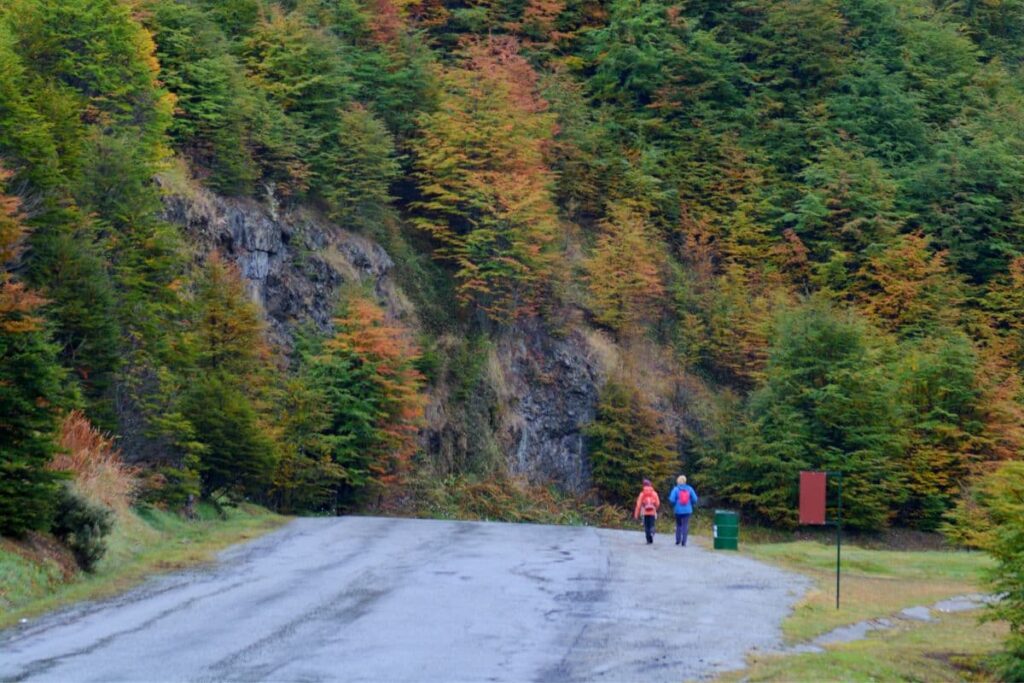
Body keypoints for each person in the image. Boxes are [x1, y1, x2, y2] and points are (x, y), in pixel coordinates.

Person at [668, 475, 698, 547]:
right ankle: (684, 542)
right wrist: (690, 503)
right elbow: (695, 499)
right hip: (687, 510)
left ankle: (678, 540)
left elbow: (671, 499)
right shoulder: (689, 489)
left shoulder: (675, 489)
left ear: (678, 481)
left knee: (678, 525)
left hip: (678, 510)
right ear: (685, 481)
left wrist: (675, 503)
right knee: (685, 525)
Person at [633, 479, 661, 544]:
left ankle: (648, 540)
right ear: (650, 484)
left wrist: (636, 515)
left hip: (645, 512)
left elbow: (638, 505)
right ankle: (652, 531)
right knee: (652, 524)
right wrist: (655, 508)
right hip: (652, 512)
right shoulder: (654, 493)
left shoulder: (642, 494)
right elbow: (658, 503)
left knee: (646, 526)